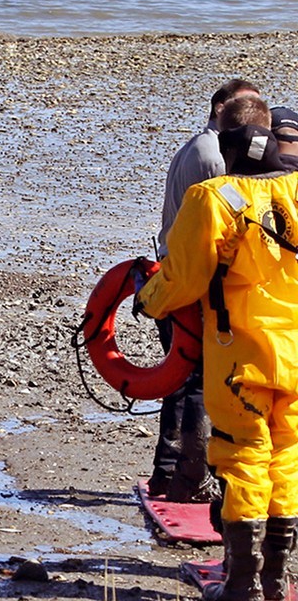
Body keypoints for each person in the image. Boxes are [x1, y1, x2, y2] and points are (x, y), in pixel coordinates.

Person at [137, 117, 298, 601]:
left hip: (240, 358)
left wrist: (149, 300)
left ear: (228, 158)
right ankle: (277, 580)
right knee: (287, 459)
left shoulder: (214, 199)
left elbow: (184, 277)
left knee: (243, 457)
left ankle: (242, 584)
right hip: (294, 353)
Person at [147, 79, 261, 504]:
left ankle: (167, 473)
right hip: (188, 280)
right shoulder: (214, 155)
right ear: (220, 108)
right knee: (193, 381)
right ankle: (187, 478)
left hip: (174, 271)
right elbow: (227, 222)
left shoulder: (197, 146)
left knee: (180, 380)